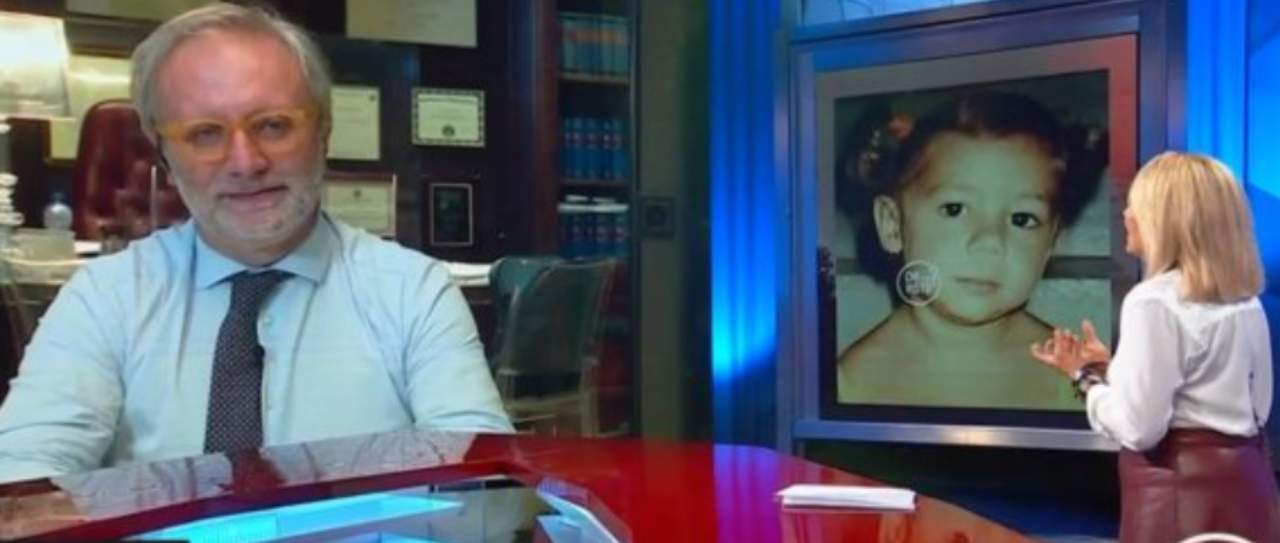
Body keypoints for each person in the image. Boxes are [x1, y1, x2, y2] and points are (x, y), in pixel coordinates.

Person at [0, 4, 512, 484]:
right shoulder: (103, 296)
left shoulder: (413, 292)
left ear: (324, 133)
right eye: (205, 134)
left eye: (273, 126)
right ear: (164, 155)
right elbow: (23, 484)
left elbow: (484, 480)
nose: (246, 162)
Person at [1031, 151, 1279, 542]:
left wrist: (1084, 379)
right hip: (1249, 497)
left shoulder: (1152, 302)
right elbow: (1254, 408)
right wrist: (1117, 369)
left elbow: (1140, 428)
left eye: (1137, 205)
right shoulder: (1245, 301)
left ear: (1166, 220)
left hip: (1179, 501)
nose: (1126, 215)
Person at [835, 91, 1105, 410]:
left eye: (1022, 219)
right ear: (893, 225)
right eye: (954, 209)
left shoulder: (1074, 376)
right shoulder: (853, 381)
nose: (989, 242)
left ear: (1052, 242)